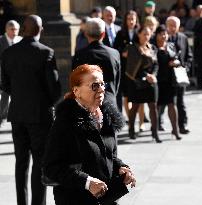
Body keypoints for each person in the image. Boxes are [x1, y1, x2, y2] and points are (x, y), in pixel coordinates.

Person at [43, 64, 136, 205]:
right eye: (94, 86)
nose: (101, 90)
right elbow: (51, 167)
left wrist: (121, 167)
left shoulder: (106, 116)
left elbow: (109, 154)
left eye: (102, 84)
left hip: (107, 198)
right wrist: (87, 182)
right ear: (77, 91)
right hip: (75, 199)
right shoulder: (65, 121)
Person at [1, 15, 61, 205]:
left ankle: (21, 202)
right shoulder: (46, 52)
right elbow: (55, 90)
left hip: (17, 114)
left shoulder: (9, 53)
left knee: (21, 162)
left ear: (24, 29)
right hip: (39, 116)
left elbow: (5, 85)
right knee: (39, 162)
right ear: (40, 30)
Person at [72, 18, 121, 107]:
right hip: (109, 102)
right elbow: (116, 81)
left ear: (86, 34)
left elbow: (75, 81)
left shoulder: (80, 55)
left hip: (86, 104)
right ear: (103, 34)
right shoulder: (114, 54)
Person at [125, 26, 161, 143]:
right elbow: (133, 67)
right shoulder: (133, 48)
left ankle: (155, 133)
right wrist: (146, 76)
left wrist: (153, 75)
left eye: (148, 34)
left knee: (153, 107)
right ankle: (131, 130)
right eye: (144, 33)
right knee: (135, 106)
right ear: (139, 34)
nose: (146, 36)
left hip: (151, 82)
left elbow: (156, 64)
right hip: (137, 81)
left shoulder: (152, 47)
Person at [165, 16, 193, 134]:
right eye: (170, 25)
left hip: (180, 75)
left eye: (174, 25)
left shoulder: (183, 38)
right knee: (167, 102)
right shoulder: (163, 38)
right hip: (167, 75)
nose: (172, 28)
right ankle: (160, 123)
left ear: (178, 26)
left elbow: (189, 56)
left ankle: (183, 125)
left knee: (181, 102)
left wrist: (185, 67)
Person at [155, 25, 182, 140]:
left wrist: (176, 62)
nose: (164, 36)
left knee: (172, 104)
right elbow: (154, 62)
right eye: (161, 34)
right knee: (158, 107)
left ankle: (175, 130)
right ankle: (155, 131)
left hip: (171, 80)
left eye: (165, 34)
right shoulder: (153, 47)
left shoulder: (171, 45)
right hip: (159, 81)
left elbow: (177, 58)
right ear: (156, 35)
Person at [114, 10, 139, 115]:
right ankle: (129, 117)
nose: (131, 21)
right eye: (129, 19)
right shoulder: (121, 33)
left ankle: (137, 115)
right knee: (126, 93)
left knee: (137, 93)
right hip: (125, 67)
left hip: (137, 67)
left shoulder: (139, 32)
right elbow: (115, 49)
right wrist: (122, 53)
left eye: (133, 19)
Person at [0, 20, 21, 126]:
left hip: (18, 76)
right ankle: (1, 117)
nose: (14, 32)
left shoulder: (21, 41)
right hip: (3, 75)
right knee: (4, 96)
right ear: (6, 29)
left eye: (16, 29)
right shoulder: (1, 41)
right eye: (12, 29)